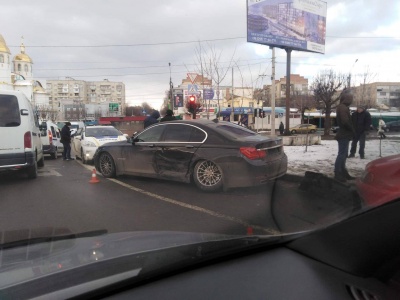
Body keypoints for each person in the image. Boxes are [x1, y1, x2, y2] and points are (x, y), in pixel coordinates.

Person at [334, 90, 355, 182]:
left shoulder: (343, 107)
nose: (351, 100)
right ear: (346, 99)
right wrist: (352, 129)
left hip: (345, 134)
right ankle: (338, 173)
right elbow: (345, 121)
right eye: (350, 98)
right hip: (344, 134)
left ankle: (342, 172)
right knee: (342, 155)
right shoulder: (342, 108)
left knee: (344, 155)